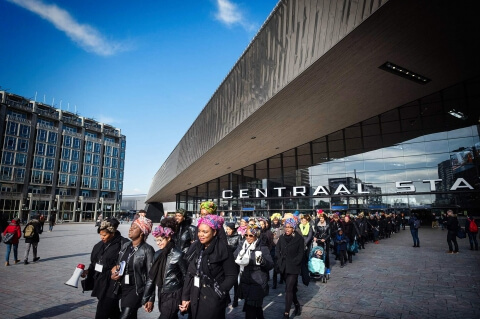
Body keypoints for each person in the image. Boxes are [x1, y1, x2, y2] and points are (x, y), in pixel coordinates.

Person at [179, 214, 238, 319]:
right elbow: (190, 274)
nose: (200, 235)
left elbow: (232, 275)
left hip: (212, 297)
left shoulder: (223, 249)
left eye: (205, 232)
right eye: (199, 231)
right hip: (195, 294)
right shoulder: (196, 247)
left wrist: (218, 293)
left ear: (214, 232)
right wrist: (185, 297)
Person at [82, 218, 127, 319]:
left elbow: (127, 261)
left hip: (113, 284)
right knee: (113, 312)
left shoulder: (123, 244)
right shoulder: (99, 245)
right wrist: (87, 271)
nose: (102, 237)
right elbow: (94, 263)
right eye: (100, 235)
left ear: (112, 233)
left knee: (102, 312)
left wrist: (118, 266)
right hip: (100, 282)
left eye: (104, 235)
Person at [111, 216, 155, 319]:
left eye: (135, 227)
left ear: (142, 232)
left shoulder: (147, 250)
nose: (130, 229)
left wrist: (150, 298)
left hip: (136, 290)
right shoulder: (125, 245)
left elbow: (151, 276)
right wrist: (114, 272)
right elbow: (119, 265)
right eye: (131, 226)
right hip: (123, 288)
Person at [143, 218, 187, 319]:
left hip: (174, 293)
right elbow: (151, 277)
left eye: (160, 240)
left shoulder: (178, 255)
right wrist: (148, 298)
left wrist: (185, 298)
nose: (158, 243)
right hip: (162, 293)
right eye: (156, 240)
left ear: (168, 238)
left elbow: (186, 278)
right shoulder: (157, 254)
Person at [234, 224, 273, 319]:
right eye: (246, 235)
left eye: (251, 235)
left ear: (256, 236)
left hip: (258, 282)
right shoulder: (243, 246)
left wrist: (262, 261)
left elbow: (271, 264)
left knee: (250, 310)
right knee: (256, 308)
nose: (248, 237)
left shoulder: (262, 247)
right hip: (245, 281)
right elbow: (234, 256)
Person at [275, 217, 304, 319]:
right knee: (291, 289)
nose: (287, 229)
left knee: (288, 289)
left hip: (293, 268)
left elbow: (301, 253)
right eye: (286, 227)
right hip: (283, 267)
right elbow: (277, 250)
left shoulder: (299, 239)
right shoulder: (282, 237)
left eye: (289, 227)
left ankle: (286, 313)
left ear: (293, 228)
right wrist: (279, 261)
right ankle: (296, 304)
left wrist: (295, 262)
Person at [225, 222, 242, 307]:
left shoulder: (238, 237)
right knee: (225, 280)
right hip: (226, 261)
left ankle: (235, 299)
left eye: (229, 229)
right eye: (226, 229)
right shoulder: (225, 236)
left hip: (234, 261)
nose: (227, 231)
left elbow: (240, 248)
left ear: (233, 229)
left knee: (235, 281)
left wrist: (231, 249)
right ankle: (227, 298)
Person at [313, 213, 331, 277]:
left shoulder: (328, 225)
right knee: (319, 254)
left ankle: (327, 267)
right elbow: (316, 232)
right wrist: (315, 237)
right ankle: (320, 266)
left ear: (324, 218)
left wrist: (325, 239)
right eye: (320, 218)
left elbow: (329, 234)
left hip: (326, 242)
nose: (321, 219)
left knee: (326, 254)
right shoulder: (318, 225)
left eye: (322, 218)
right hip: (319, 241)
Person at [269, 213, 284, 289]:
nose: (275, 221)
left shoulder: (281, 227)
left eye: (276, 220)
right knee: (275, 266)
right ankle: (274, 283)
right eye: (274, 220)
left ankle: (281, 278)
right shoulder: (271, 227)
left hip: (280, 247)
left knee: (280, 263)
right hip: (273, 246)